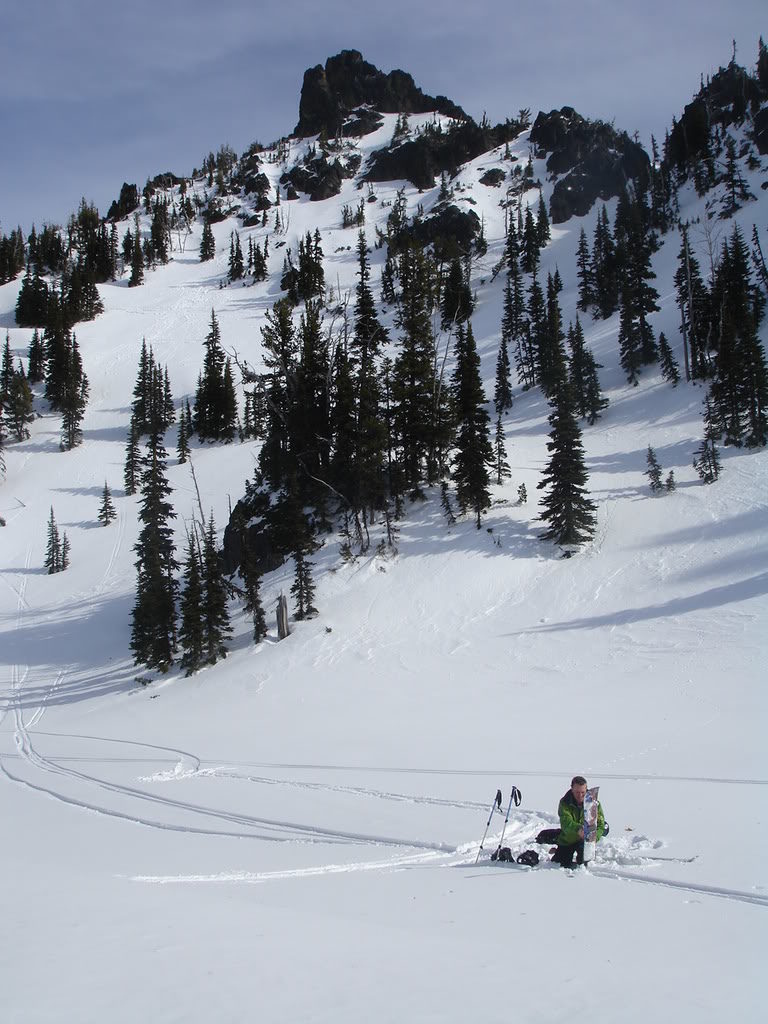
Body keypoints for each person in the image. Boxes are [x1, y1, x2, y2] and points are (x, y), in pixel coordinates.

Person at [551, 776, 606, 868]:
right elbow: (566, 823)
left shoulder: (594, 803)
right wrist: (579, 829)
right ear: (572, 789)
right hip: (569, 839)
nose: (580, 795)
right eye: (577, 792)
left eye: (583, 792)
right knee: (560, 863)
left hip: (586, 841)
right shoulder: (564, 802)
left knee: (585, 864)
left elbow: (600, 824)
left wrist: (595, 836)